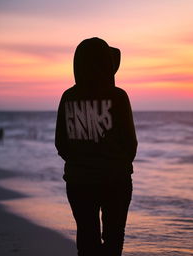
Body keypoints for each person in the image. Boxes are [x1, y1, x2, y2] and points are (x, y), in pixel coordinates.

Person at [55, 37, 137, 256]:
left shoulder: (68, 97)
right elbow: (131, 145)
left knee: (87, 238)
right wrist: (116, 164)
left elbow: (61, 143)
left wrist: (81, 162)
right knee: (113, 239)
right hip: (115, 181)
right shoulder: (118, 97)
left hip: (79, 181)